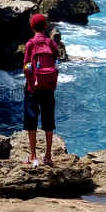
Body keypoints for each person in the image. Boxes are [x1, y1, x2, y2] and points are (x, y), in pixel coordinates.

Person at [23, 13, 61, 166]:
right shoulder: (51, 43)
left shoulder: (30, 44)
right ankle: (48, 156)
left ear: (32, 27)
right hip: (49, 88)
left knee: (31, 121)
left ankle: (33, 155)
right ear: (45, 26)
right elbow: (57, 57)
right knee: (48, 121)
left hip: (33, 87)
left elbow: (25, 65)